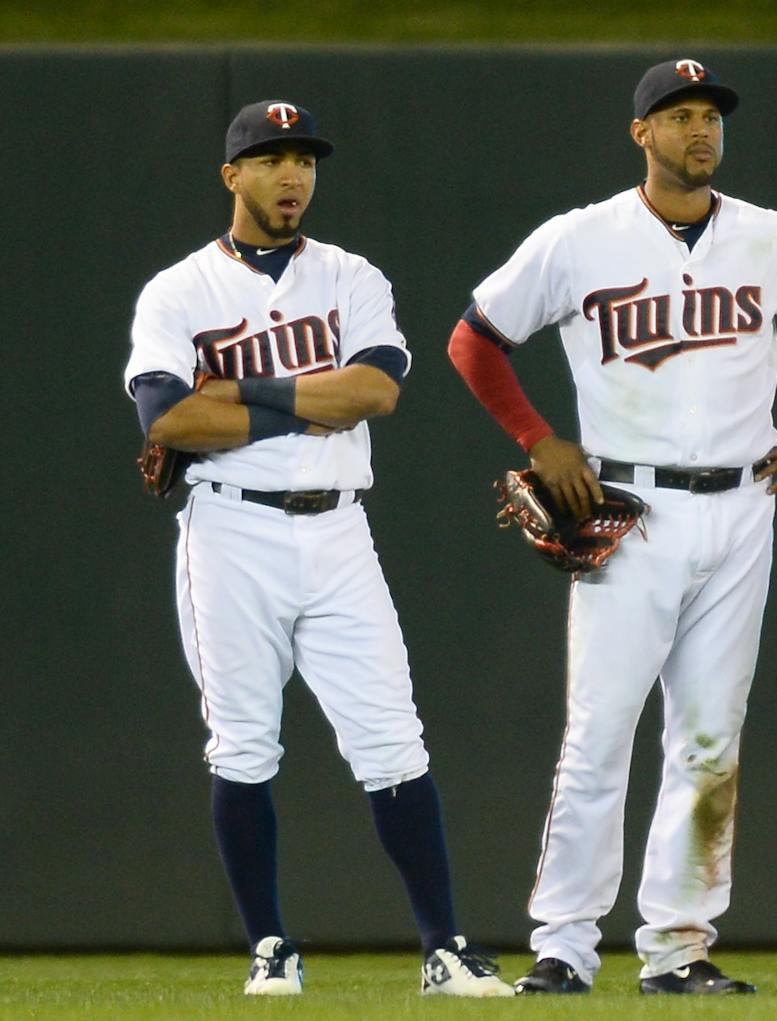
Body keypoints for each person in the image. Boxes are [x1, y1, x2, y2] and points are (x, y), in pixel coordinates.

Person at [448, 58, 777, 995]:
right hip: (627, 509)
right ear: (640, 133)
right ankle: (563, 942)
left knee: (712, 736)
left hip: (741, 507)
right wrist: (539, 437)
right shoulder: (581, 239)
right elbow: (473, 339)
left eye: (710, 115)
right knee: (599, 731)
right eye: (678, 116)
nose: (700, 131)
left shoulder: (771, 238)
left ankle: (679, 946)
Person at [123, 100, 513, 999]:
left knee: (392, 741)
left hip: (339, 526)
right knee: (245, 743)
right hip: (230, 530)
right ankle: (269, 944)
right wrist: (302, 395)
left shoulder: (350, 276)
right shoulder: (179, 291)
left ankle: (443, 947)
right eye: (270, 159)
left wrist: (244, 392)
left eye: (303, 160)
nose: (292, 174)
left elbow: (375, 392)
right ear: (233, 175)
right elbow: (167, 416)